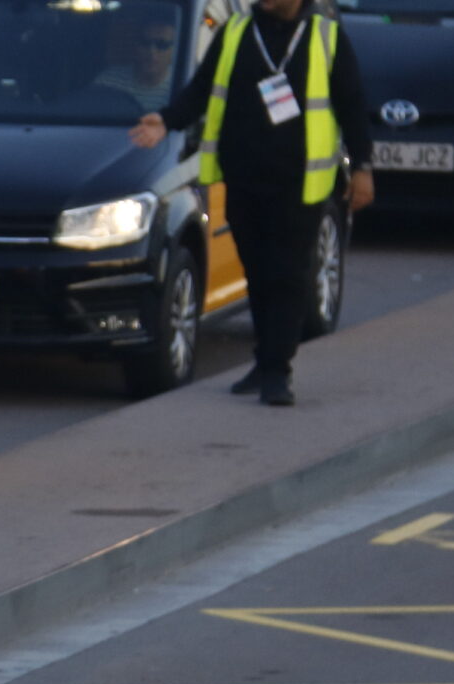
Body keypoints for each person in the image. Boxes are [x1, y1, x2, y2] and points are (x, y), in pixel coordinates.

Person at [129, 0, 373, 407]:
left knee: (288, 274)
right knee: (258, 273)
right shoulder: (237, 33)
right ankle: (265, 361)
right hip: (242, 180)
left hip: (299, 184)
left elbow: (352, 106)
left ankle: (278, 371)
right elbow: (202, 90)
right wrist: (166, 119)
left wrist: (362, 167)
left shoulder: (326, 38)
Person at [90, 7, 181, 110]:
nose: (152, 51)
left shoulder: (180, 88)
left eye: (162, 45)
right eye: (145, 43)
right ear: (135, 46)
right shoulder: (108, 82)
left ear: (174, 50)